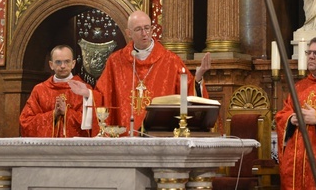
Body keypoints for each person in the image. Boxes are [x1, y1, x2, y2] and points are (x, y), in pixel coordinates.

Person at [70, 10, 212, 135]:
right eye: (138, 29)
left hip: (159, 135)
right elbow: (104, 95)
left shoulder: (170, 61)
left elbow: (187, 94)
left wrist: (198, 78)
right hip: (126, 135)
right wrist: (88, 94)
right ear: (128, 33)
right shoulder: (116, 61)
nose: (144, 33)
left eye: (147, 28)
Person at [275, 37, 316, 190]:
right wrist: (291, 119)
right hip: (295, 162)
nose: (311, 56)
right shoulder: (299, 87)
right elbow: (282, 114)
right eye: (309, 52)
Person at [19, 45, 93, 137]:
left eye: (67, 61)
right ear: (51, 65)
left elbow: (92, 122)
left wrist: (66, 112)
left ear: (73, 64)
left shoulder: (85, 90)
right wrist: (53, 114)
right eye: (58, 62)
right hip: (46, 149)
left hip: (75, 148)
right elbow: (26, 122)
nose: (62, 66)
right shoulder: (40, 90)